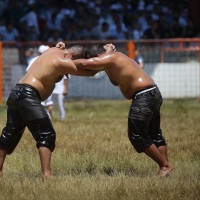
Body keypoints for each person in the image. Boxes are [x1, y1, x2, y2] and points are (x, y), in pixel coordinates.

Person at [0, 42, 116, 178]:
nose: (77, 64)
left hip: (16, 93)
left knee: (9, 134)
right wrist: (109, 54)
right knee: (46, 133)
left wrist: (60, 46)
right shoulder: (63, 61)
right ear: (73, 56)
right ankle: (47, 174)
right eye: (76, 61)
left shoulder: (53, 50)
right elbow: (91, 71)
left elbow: (60, 47)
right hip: (28, 96)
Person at [72, 44, 174, 177]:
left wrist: (65, 61)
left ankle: (165, 166)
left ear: (97, 57)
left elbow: (85, 64)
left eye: (94, 61)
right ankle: (164, 168)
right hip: (151, 94)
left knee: (136, 135)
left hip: (144, 96)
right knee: (155, 135)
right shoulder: (110, 60)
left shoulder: (112, 57)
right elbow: (92, 67)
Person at [26, 45, 53, 118]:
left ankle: (41, 118)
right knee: (49, 103)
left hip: (36, 83)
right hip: (49, 83)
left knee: (39, 102)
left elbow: (28, 71)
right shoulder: (51, 60)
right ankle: (49, 119)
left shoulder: (34, 59)